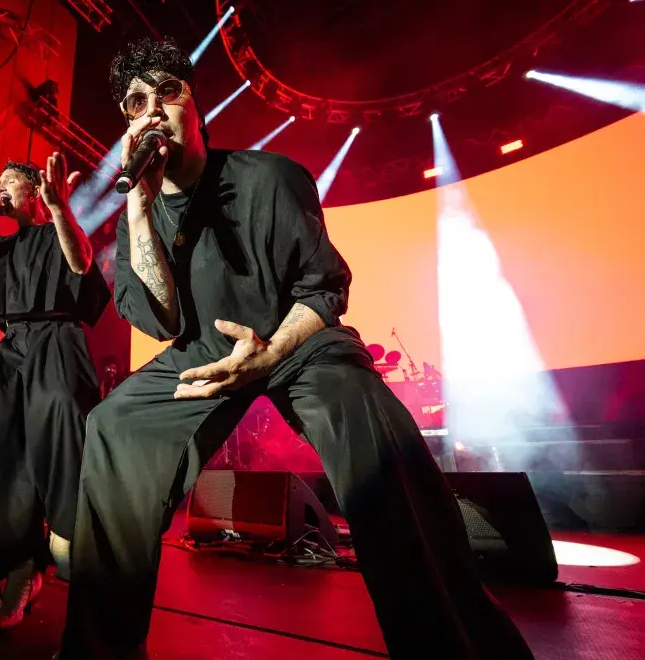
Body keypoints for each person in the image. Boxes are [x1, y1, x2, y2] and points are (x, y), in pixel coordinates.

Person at [58, 38, 534, 659]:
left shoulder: (270, 177)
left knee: (367, 424)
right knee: (113, 425)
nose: (150, 113)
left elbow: (324, 287)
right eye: (134, 103)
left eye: (165, 94)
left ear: (193, 105)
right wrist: (142, 207)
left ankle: (458, 643)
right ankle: (100, 649)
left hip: (299, 338)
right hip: (204, 347)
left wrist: (272, 349)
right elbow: (163, 318)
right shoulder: (137, 210)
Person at [0, 157, 109, 630]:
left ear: (34, 189)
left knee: (61, 422)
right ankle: (22, 573)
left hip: (57, 339)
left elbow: (81, 263)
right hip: (12, 347)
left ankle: (71, 543)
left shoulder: (57, 228)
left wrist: (58, 208)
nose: (0, 188)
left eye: (10, 182)